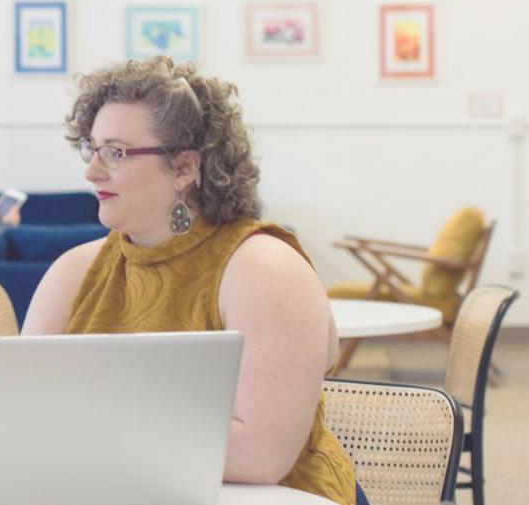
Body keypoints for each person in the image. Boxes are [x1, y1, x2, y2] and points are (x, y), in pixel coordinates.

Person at [21, 57, 361, 505]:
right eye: (92, 148)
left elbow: (262, 456)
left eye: (116, 152)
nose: (91, 171)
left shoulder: (265, 269)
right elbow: (22, 425)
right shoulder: (73, 271)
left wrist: (85, 435)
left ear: (184, 168)